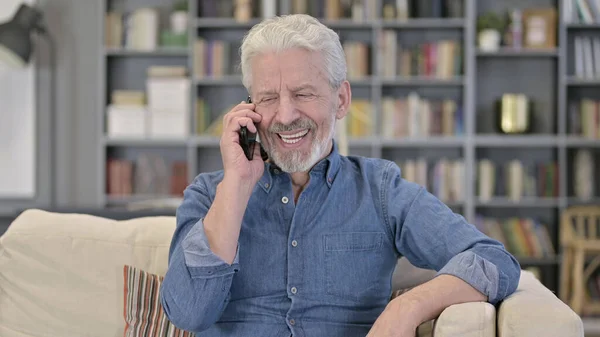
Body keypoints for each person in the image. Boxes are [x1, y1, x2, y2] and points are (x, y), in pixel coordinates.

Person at [160, 13, 521, 337]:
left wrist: (407, 307)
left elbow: (494, 261)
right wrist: (237, 184)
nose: (285, 116)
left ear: (342, 100)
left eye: (303, 94)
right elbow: (188, 314)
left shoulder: (380, 190)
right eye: (268, 98)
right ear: (249, 108)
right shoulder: (209, 195)